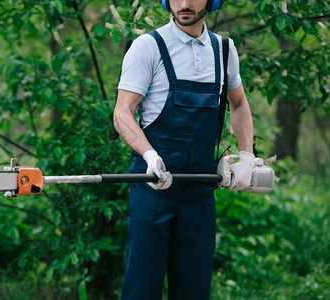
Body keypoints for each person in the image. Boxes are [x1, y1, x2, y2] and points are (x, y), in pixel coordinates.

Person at [113, 0, 255, 299]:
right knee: (141, 287)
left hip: (199, 190)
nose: (185, 4)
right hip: (152, 184)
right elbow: (122, 113)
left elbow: (239, 103)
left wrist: (247, 156)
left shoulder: (224, 50)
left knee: (194, 289)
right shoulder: (147, 47)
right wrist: (150, 155)